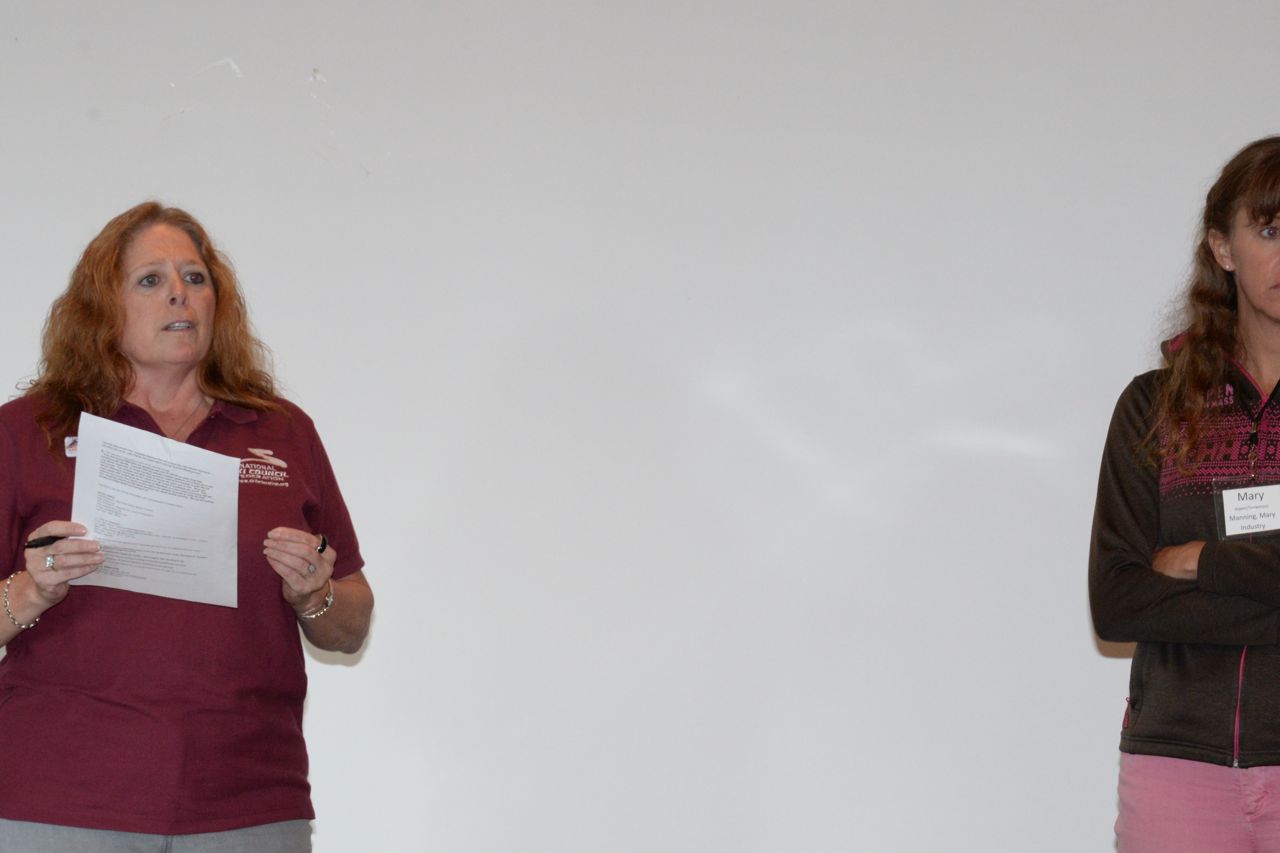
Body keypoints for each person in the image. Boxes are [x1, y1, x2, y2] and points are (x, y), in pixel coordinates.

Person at [0, 202, 373, 851]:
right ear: (101, 306)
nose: (180, 292)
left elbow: (353, 620)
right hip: (64, 796)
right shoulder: (27, 432)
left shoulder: (283, 431)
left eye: (195, 278)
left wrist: (315, 593)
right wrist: (32, 590)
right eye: (150, 279)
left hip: (248, 800)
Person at [1091, 136, 1280, 850]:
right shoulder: (1155, 406)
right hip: (1177, 768)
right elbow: (1118, 599)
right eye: (1270, 231)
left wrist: (1205, 560)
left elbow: (1156, 592)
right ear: (1223, 247)